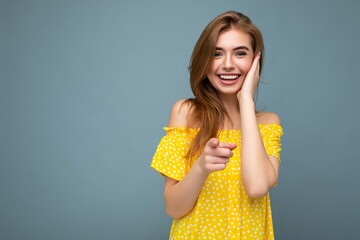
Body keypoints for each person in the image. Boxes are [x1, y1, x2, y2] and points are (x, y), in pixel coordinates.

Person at [151, 10, 283, 239]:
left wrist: (245, 101)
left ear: (255, 60)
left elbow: (257, 187)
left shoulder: (268, 123)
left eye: (240, 53)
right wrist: (201, 167)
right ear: (204, 60)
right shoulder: (185, 113)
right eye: (217, 54)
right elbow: (173, 208)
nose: (228, 64)